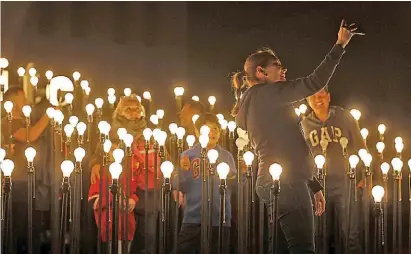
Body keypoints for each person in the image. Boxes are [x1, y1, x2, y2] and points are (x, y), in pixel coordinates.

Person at [232, 20, 358, 253]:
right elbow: (313, 82)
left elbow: (290, 145)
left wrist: (313, 183)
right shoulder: (267, 94)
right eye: (277, 66)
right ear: (261, 72)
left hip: (272, 180)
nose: (284, 70)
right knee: (303, 248)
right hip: (288, 183)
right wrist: (340, 45)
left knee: (283, 249)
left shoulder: (255, 101)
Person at [90, 94, 161, 254]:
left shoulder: (148, 134)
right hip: (122, 189)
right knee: (121, 233)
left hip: (146, 191)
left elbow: (163, 157)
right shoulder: (112, 133)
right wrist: (95, 164)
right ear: (120, 111)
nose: (133, 113)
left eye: (137, 109)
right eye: (128, 109)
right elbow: (99, 154)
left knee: (147, 235)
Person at [301, 87, 364, 253]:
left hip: (344, 182)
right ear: (307, 101)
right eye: (313, 96)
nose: (318, 99)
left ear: (329, 97)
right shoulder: (304, 125)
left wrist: (363, 175)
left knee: (350, 232)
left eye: (322, 94)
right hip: (317, 187)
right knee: (319, 234)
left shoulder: (344, 117)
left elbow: (359, 144)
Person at [174, 113, 237, 254]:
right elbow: (180, 184)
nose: (212, 133)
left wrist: (236, 175)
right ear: (197, 132)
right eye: (207, 129)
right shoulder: (188, 155)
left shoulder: (226, 156)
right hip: (193, 216)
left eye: (215, 129)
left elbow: (234, 183)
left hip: (219, 216)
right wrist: (183, 172)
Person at [1, 86, 52, 253]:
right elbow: (30, 135)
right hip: (18, 182)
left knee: (34, 228)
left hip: (33, 181)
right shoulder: (7, 122)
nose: (27, 101)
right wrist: (49, 114)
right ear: (13, 101)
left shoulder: (26, 122)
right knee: (17, 226)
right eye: (23, 98)